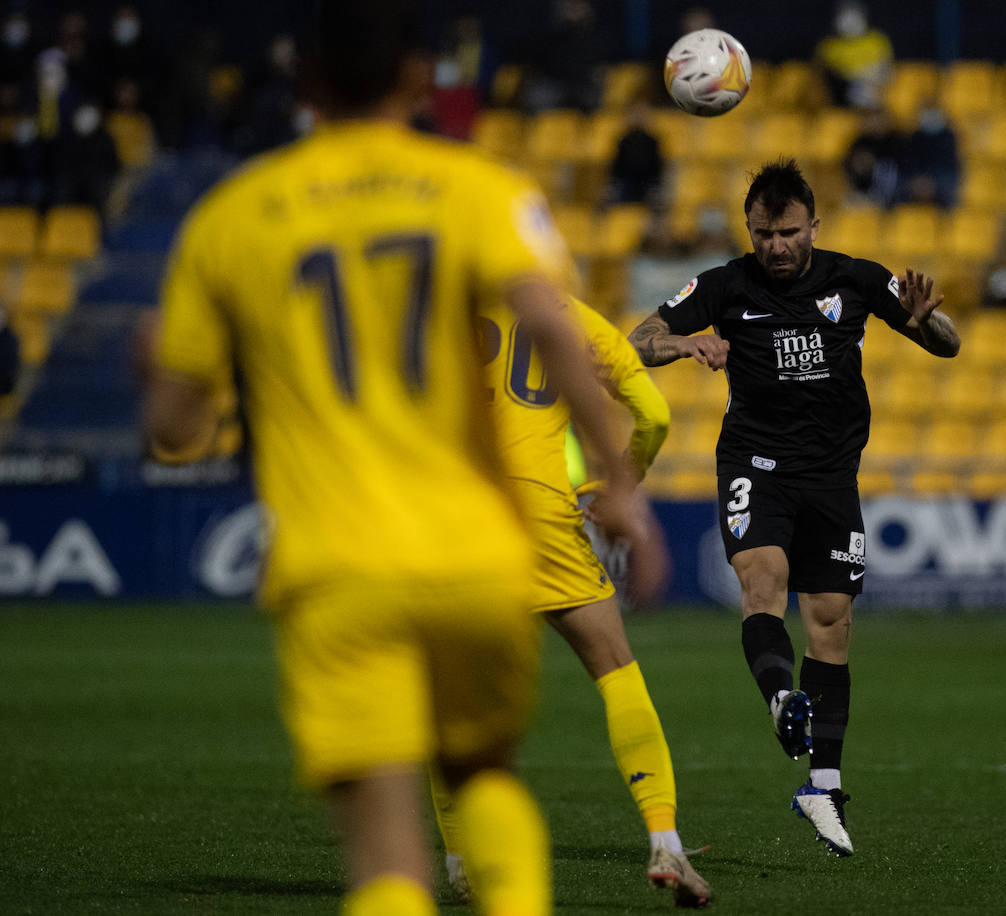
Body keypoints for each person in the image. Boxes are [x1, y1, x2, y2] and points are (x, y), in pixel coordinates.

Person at [142, 2, 666, 914]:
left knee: (387, 848)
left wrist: (151, 372)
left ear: (304, 84)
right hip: (475, 551)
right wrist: (620, 490)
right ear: (420, 79)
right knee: (484, 772)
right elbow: (552, 322)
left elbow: (177, 432)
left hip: (334, 561)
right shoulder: (477, 189)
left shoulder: (232, 217)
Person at [626, 159, 959, 857]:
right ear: (749, 231)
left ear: (814, 226)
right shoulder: (724, 285)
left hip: (834, 475)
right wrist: (681, 342)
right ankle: (782, 698)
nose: (775, 246)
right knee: (763, 582)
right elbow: (638, 338)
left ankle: (822, 788)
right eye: (762, 233)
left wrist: (929, 324)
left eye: (786, 232)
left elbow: (949, 344)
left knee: (832, 624)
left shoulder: (857, 279)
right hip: (757, 465)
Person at [433, 297, 710, 908]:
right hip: (541, 513)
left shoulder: (441, 306)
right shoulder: (572, 318)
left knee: (451, 692)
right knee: (616, 670)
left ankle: (460, 860)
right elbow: (655, 415)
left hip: (458, 515)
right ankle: (664, 840)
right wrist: (623, 482)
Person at [815, 1, 893, 108]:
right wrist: (856, 77)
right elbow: (826, 77)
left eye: (854, 16)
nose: (849, 21)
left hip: (876, 90)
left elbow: (886, 69)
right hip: (841, 97)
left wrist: (872, 77)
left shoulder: (877, 40)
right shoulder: (828, 47)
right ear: (836, 20)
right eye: (844, 16)